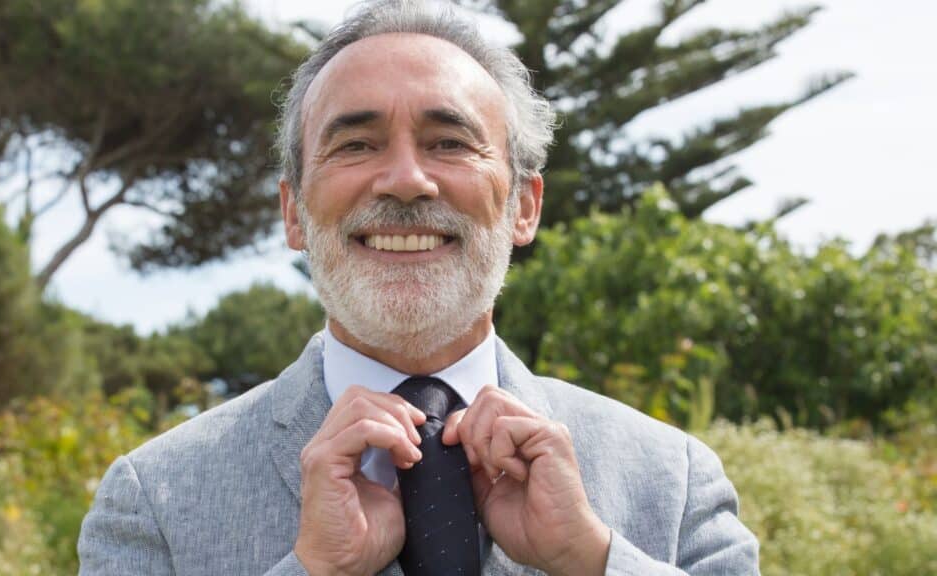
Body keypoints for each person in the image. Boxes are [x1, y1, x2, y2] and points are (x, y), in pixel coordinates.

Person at [77, 1, 760, 574]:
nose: (406, 180)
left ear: (524, 206)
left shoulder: (673, 482)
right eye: (356, 145)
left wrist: (595, 558)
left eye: (448, 142)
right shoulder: (153, 499)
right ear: (293, 212)